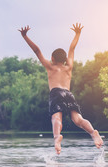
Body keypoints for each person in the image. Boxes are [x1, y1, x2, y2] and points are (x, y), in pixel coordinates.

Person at [19, 23, 103, 154]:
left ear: (52, 58)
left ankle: (57, 137)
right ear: (64, 59)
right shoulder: (68, 67)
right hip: (69, 94)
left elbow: (37, 51)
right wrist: (77, 34)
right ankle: (93, 133)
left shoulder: (50, 66)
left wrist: (25, 36)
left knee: (56, 119)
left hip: (56, 93)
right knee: (78, 120)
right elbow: (72, 49)